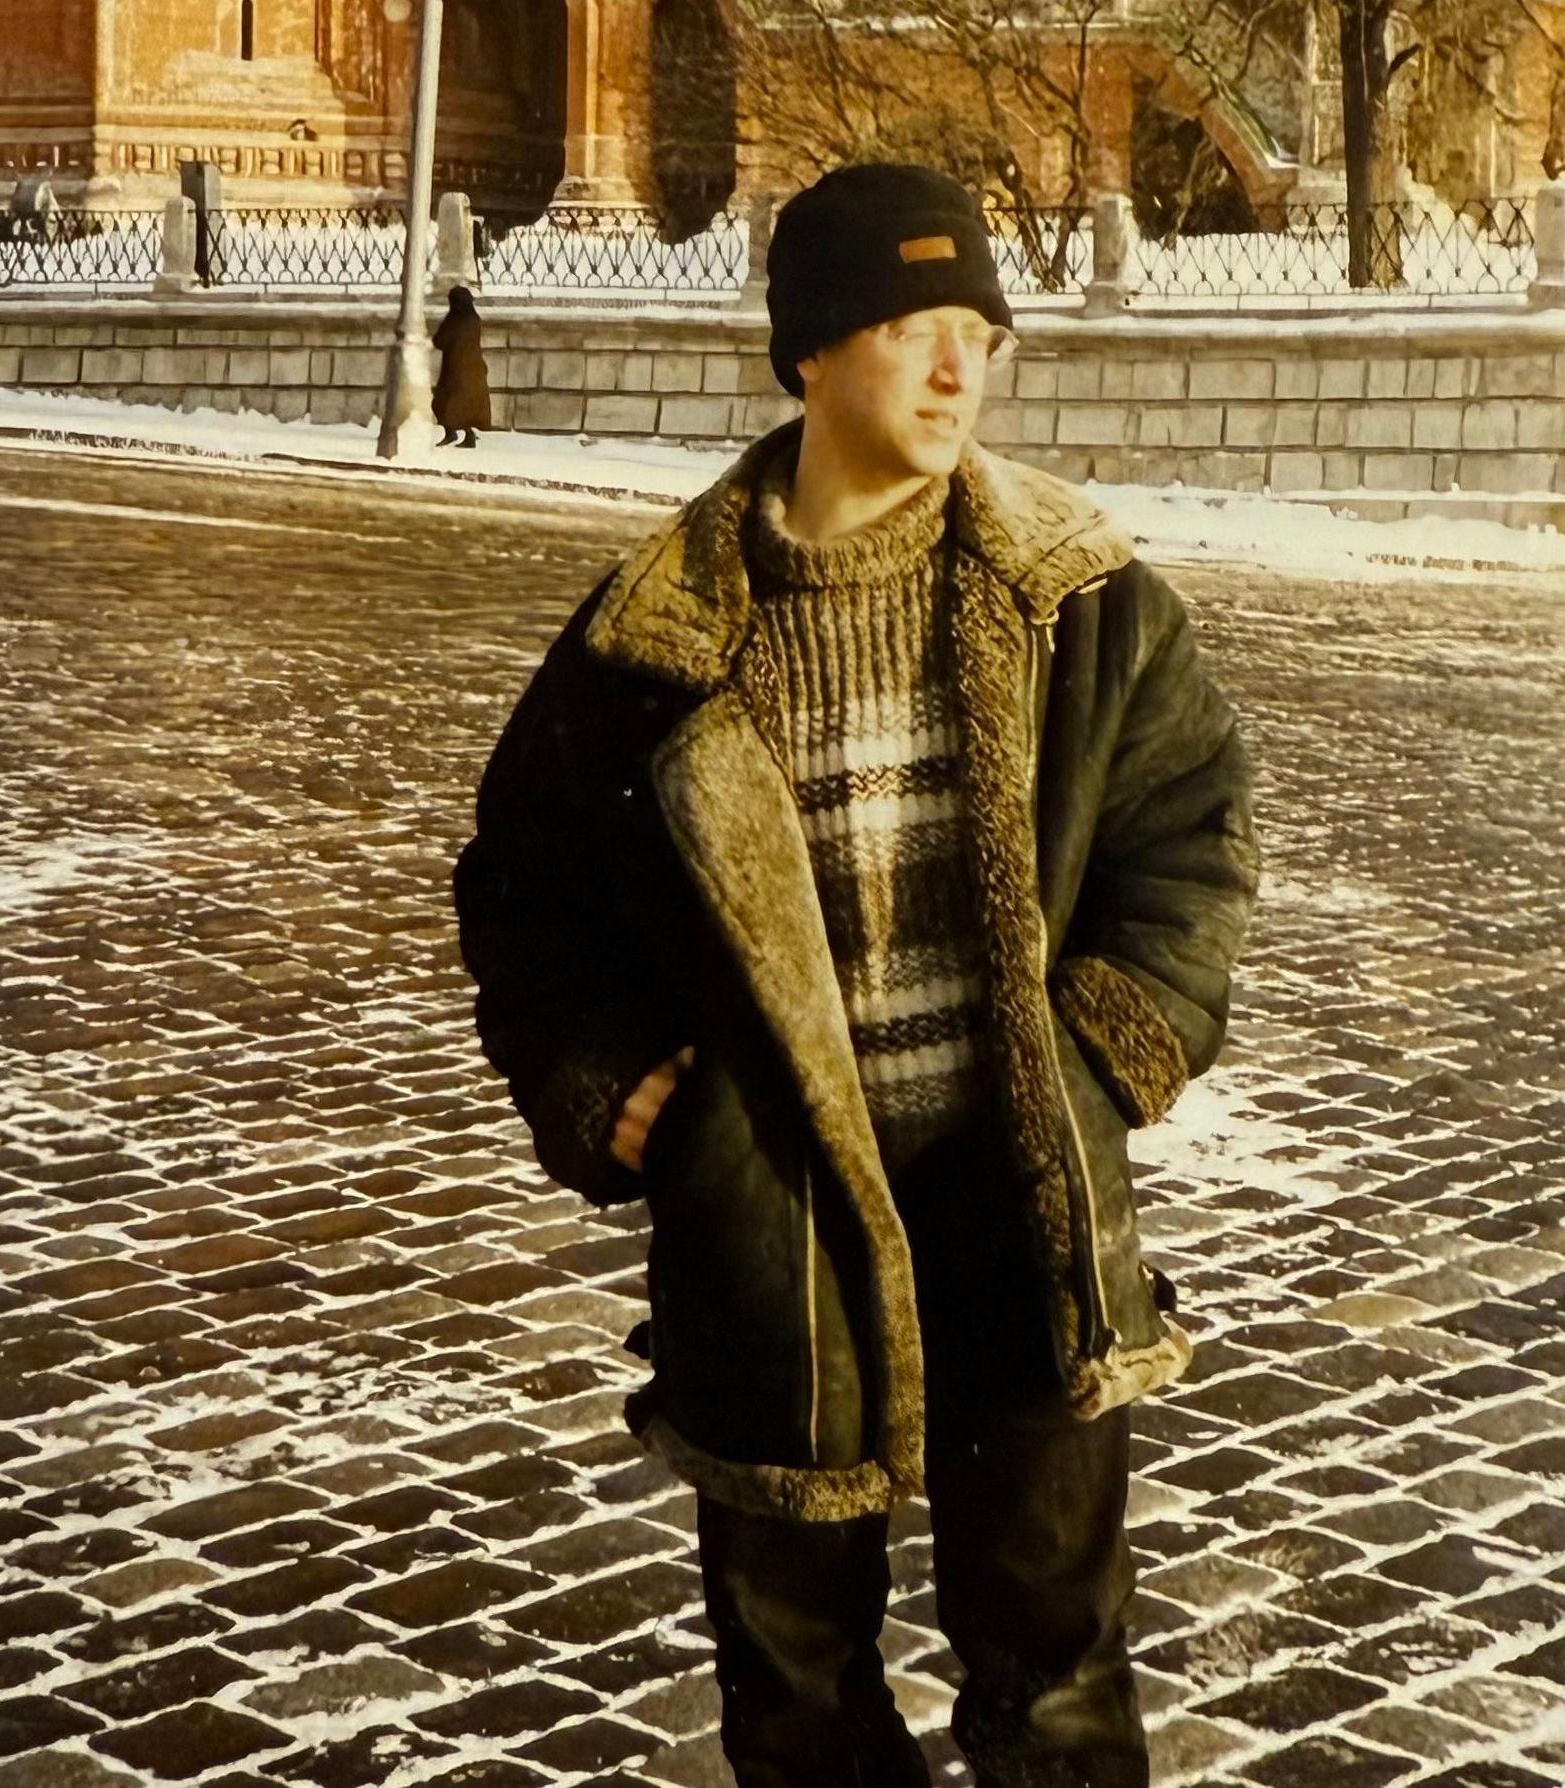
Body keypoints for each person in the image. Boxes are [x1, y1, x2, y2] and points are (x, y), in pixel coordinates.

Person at [453, 162, 1260, 1788]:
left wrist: (1099, 1059)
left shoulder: (1080, 602)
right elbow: (522, 892)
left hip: (1019, 1207)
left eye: (979, 330)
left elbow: (1190, 846)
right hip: (771, 1233)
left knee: (1057, 1679)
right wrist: (618, 1100)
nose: (959, 368)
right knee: (798, 1694)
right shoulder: (652, 637)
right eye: (911, 326)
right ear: (811, 350)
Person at [432, 285, 491, 449]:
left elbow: (439, 340)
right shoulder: (473, 318)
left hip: (456, 370)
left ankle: (456, 434)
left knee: (444, 403)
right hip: (472, 369)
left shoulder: (455, 319)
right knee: (463, 405)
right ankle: (464, 435)